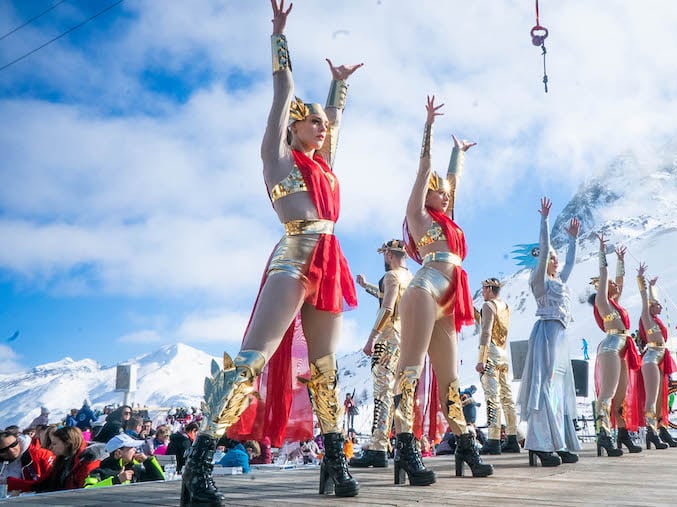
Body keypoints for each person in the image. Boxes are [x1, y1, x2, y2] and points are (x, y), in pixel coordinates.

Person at [179, 2, 364, 503]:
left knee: (325, 368)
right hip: (294, 256)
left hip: (330, 261)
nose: (322, 127)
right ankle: (198, 468)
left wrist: (338, 87)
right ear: (294, 127)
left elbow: (336, 123)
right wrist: (278, 38)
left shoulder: (324, 169)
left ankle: (333, 462)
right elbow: (283, 92)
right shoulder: (279, 160)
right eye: (313, 122)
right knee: (251, 360)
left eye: (325, 124)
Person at [392, 95, 489, 486]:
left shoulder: (449, 221)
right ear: (426, 195)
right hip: (424, 290)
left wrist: (459, 154)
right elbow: (423, 172)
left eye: (447, 192)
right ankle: (404, 443)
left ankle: (464, 442)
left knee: (450, 377)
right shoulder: (417, 217)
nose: (445, 194)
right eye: (439, 191)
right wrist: (429, 127)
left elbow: (454, 182)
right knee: (410, 368)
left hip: (449, 297)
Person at [517, 197, 582, 467]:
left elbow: (569, 265)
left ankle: (559, 442)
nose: (555, 261)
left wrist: (574, 240)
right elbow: (543, 251)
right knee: (543, 387)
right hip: (546, 334)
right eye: (551, 258)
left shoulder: (560, 281)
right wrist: (544, 220)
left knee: (559, 389)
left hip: (560, 337)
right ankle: (541, 444)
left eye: (555, 258)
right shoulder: (540, 282)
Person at [350, 239, 412, 468]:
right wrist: (366, 286)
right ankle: (400, 444)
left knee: (382, 393)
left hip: (387, 339)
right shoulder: (410, 278)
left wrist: (371, 339)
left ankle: (377, 446)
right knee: (399, 392)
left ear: (388, 254)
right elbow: (391, 299)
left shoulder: (391, 276)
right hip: (404, 339)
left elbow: (387, 307)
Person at [589, 235, 640, 457]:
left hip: (623, 346)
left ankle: (622, 433)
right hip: (610, 346)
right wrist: (602, 251)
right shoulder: (602, 301)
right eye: (608, 284)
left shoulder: (615, 303)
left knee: (621, 395)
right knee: (608, 393)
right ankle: (603, 433)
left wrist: (621, 260)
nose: (613, 285)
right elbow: (606, 276)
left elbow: (619, 281)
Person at [634, 264, 677, 449]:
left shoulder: (657, 319)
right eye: (657, 305)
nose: (660, 306)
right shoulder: (646, 316)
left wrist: (652, 286)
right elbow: (645, 299)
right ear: (651, 308)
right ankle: (651, 432)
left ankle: (662, 429)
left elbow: (652, 298)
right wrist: (641, 280)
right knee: (652, 398)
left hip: (661, 355)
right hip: (651, 357)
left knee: (662, 397)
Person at [476, 277, 520, 454]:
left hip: (491, 353)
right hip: (503, 353)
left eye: (484, 289)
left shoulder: (488, 306)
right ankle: (512, 437)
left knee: (492, 396)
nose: (482, 292)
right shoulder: (505, 306)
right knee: (507, 397)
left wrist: (482, 358)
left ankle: (493, 439)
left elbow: (486, 331)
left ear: (488, 289)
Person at [7, 426, 102, 493]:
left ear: (67, 443)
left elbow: (85, 491)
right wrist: (9, 482)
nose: (51, 447)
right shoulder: (63, 460)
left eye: (55, 444)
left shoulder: (88, 460)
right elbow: (42, 484)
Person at [86, 434, 164, 487]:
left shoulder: (135, 470)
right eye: (131, 447)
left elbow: (160, 481)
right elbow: (87, 491)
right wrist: (116, 480)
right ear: (118, 453)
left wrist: (148, 461)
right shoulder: (99, 472)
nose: (135, 450)